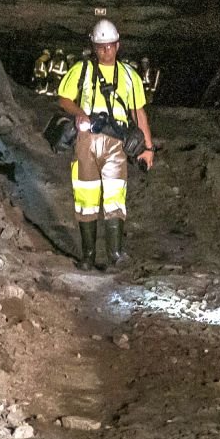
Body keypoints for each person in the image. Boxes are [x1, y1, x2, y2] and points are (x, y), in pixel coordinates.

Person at [56, 18, 155, 270]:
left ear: (117, 45)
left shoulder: (129, 76)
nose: (106, 51)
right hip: (87, 139)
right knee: (85, 196)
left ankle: (115, 254)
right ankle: (88, 256)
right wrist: (80, 113)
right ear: (94, 46)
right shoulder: (82, 70)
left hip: (117, 142)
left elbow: (138, 113)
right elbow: (64, 99)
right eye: (101, 46)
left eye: (110, 46)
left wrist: (148, 148)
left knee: (114, 197)